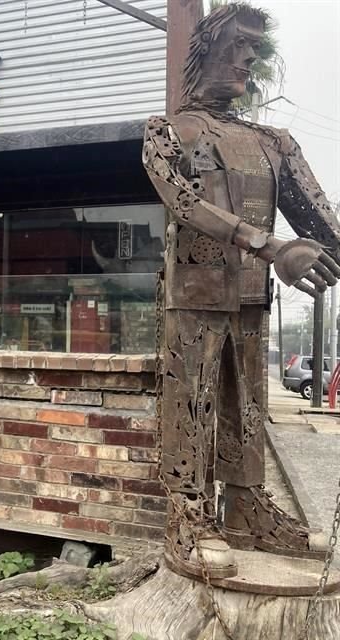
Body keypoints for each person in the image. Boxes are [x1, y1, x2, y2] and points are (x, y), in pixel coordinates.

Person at [143, 3, 339, 580]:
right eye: (239, 43)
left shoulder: (275, 142)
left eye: (256, 47)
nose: (249, 57)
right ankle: (189, 518)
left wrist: (311, 249)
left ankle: (248, 508)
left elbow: (322, 223)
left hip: (251, 301)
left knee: (247, 408)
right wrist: (270, 243)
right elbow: (182, 200)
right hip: (193, 298)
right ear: (207, 49)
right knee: (191, 405)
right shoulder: (167, 132)